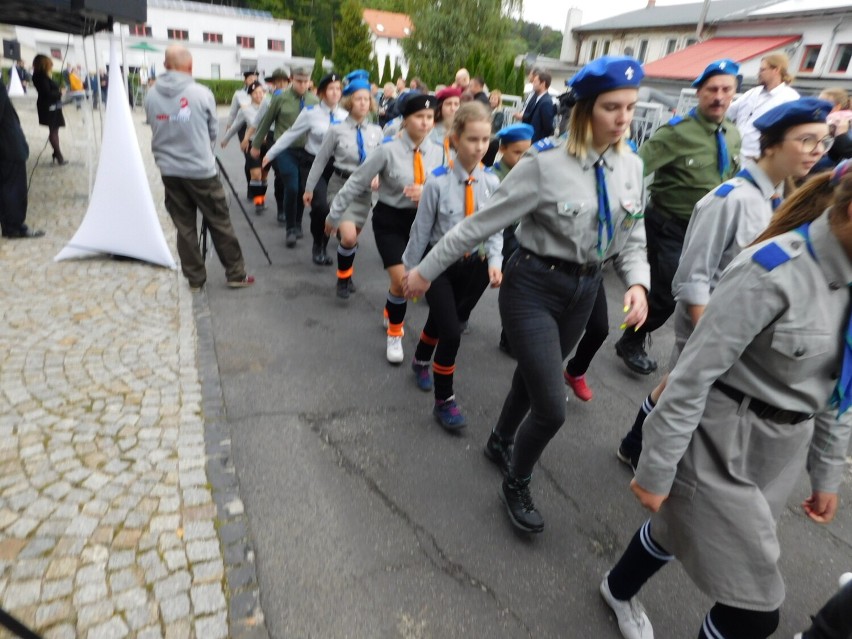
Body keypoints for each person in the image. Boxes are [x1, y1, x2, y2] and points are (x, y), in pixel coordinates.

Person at [599, 158, 852, 639]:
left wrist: (825, 473)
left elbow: (840, 389)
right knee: (754, 612)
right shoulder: (772, 269)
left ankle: (617, 586)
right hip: (716, 445)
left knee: (676, 532)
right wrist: (655, 468)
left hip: (777, 452)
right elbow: (691, 375)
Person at [404, 56, 650, 533]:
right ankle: (516, 479)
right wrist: (424, 271)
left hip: (584, 288)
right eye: (611, 107)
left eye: (630, 108)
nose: (623, 119)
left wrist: (638, 282)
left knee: (531, 378)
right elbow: (478, 225)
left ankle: (499, 440)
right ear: (584, 111)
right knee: (551, 405)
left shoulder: (631, 166)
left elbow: (633, 236)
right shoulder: (545, 164)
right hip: (533, 285)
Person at [617, 97, 834, 471]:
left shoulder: (782, 198)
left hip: (746, 330)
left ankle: (637, 447)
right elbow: (693, 278)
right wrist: (713, 336)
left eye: (823, 142)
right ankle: (647, 457)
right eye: (807, 140)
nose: (817, 152)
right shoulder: (729, 199)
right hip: (713, 322)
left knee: (678, 389)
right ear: (772, 144)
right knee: (684, 392)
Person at [614, 59, 742, 375]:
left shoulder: (733, 134)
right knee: (669, 293)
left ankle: (638, 335)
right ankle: (630, 340)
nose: (719, 96)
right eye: (712, 89)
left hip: (707, 230)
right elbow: (634, 167)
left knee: (698, 290)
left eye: (726, 89)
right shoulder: (677, 133)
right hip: (668, 225)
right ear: (699, 93)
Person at [402, 102, 503, 429]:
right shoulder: (437, 182)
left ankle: (420, 359)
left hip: (475, 268)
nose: (479, 147)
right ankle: (444, 401)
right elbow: (421, 229)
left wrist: (496, 260)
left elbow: (496, 228)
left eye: (485, 139)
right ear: (455, 139)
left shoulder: (492, 183)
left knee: (448, 319)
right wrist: (411, 270)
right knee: (452, 332)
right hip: (439, 266)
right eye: (472, 139)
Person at [330, 94, 443, 363]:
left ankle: (391, 308)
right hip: (391, 221)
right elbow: (357, 182)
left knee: (412, 285)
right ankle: (395, 334)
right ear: (405, 119)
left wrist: (426, 190)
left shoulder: (440, 150)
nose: (426, 123)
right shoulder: (387, 149)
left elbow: (446, 185)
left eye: (430, 117)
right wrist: (334, 215)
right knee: (401, 282)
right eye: (419, 117)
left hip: (423, 224)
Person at [144, 45, 254, 292]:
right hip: (200, 170)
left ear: (165, 66)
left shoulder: (151, 94)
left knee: (184, 227)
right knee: (219, 221)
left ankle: (195, 279)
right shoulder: (201, 93)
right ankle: (235, 273)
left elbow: (152, 123)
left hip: (169, 170)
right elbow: (212, 132)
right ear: (190, 67)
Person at [264, 73, 347, 265]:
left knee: (334, 208)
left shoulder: (345, 116)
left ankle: (326, 240)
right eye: (331, 88)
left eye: (338, 88)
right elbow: (290, 134)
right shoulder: (310, 113)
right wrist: (272, 153)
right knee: (321, 206)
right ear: (322, 92)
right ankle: (319, 245)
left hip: (336, 166)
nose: (335, 93)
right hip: (313, 164)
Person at [318, 76, 384, 299]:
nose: (363, 103)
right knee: (348, 238)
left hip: (364, 193)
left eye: (367, 99)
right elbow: (320, 160)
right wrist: (309, 189)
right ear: (349, 102)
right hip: (340, 185)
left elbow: (382, 161)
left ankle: (346, 273)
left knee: (351, 238)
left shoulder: (377, 131)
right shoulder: (336, 130)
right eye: (358, 99)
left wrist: (377, 177)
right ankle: (342, 279)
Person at [252, 67, 318, 245]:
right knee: (292, 187)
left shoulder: (314, 100)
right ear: (291, 80)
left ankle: (297, 223)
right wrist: (256, 144)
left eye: (306, 81)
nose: (303, 85)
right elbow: (266, 122)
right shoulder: (280, 98)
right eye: (299, 81)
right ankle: (290, 228)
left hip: (306, 151)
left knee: (303, 189)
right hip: (285, 149)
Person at [489, 123, 534, 355]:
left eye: (527, 153)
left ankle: (508, 337)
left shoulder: (530, 174)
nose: (523, 158)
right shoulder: (493, 177)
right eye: (517, 153)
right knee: (475, 282)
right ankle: (460, 312)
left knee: (515, 287)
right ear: (502, 149)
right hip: (494, 237)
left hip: (518, 237)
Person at [726, 52, 799, 163]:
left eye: (762, 70)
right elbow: (728, 113)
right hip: (733, 154)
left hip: (759, 160)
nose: (758, 73)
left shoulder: (789, 98)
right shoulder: (752, 93)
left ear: (776, 70)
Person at [244, 68, 290, 220]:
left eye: (283, 81)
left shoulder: (294, 100)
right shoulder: (268, 100)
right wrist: (248, 140)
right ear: (273, 83)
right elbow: (257, 122)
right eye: (277, 81)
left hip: (290, 138)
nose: (280, 84)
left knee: (274, 175)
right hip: (272, 138)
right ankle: (271, 206)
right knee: (274, 173)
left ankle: (286, 207)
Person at [0, 82, 43, 239]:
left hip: (8, 146)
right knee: (13, 189)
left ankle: (10, 225)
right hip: (9, 146)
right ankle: (14, 226)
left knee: (7, 188)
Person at [221, 80, 271, 215]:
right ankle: (258, 202)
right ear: (250, 95)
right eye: (256, 93)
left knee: (264, 175)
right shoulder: (245, 110)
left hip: (268, 145)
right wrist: (225, 139)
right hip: (252, 144)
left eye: (261, 92)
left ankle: (261, 198)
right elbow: (235, 126)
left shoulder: (270, 107)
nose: (259, 95)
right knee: (256, 174)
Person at [31, 54, 67, 166]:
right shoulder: (40, 77)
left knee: (54, 130)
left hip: (50, 106)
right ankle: (59, 156)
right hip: (49, 107)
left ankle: (57, 153)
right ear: (44, 64)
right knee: (53, 131)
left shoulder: (41, 75)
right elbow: (46, 93)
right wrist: (60, 92)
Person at [430, 87, 462, 168]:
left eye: (456, 104)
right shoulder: (431, 131)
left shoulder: (463, 131)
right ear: (440, 107)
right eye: (448, 104)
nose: (453, 108)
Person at [522, 71, 555, 143]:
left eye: (535, 82)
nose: (533, 84)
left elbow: (548, 127)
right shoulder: (538, 98)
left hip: (537, 142)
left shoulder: (546, 102)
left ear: (543, 84)